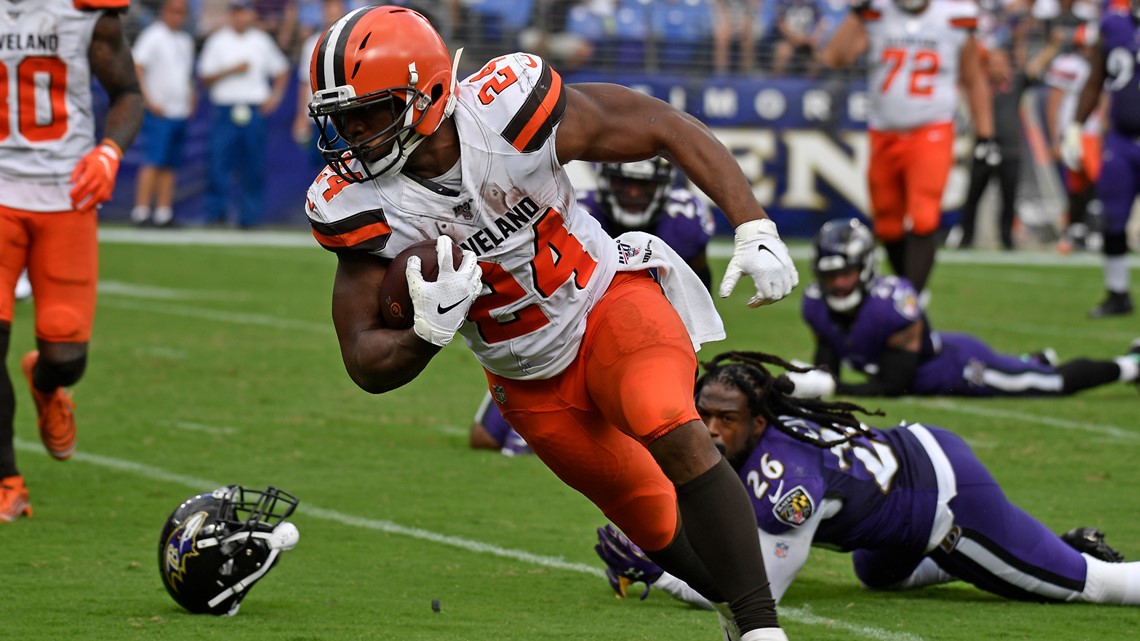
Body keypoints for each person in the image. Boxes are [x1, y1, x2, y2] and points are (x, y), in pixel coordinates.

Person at [303, 6, 799, 640]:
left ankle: (762, 631)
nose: (351, 132)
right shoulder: (357, 202)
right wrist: (426, 332)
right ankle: (740, 612)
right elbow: (364, 360)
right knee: (649, 519)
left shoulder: (504, 112)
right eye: (338, 118)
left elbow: (660, 126)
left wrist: (752, 223)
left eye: (366, 111)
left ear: (424, 91)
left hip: (604, 304)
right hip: (526, 377)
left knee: (668, 422)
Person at [595, 351, 1140, 608]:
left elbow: (756, 589)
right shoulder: (772, 410)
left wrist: (665, 571)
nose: (711, 430)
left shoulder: (788, 480)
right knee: (877, 574)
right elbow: (820, 377)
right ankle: (1044, 547)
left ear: (758, 422)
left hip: (945, 504)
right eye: (705, 414)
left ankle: (1058, 557)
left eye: (726, 420)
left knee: (1094, 587)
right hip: (901, 495)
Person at [0, 0, 144, 523]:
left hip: (66, 195)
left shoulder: (86, 11)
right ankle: (6, 480)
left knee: (66, 356)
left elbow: (127, 92)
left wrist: (108, 150)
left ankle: (47, 384)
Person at [469, 157, 716, 455]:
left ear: (662, 188)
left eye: (643, 185)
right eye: (625, 183)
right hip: (566, 324)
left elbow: (699, 281)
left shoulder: (683, 223)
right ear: (606, 183)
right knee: (485, 437)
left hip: (640, 325)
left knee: (651, 415)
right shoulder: (574, 211)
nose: (633, 194)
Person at [791, 218, 1140, 399]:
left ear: (865, 269)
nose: (837, 283)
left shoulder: (890, 307)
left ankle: (1130, 365)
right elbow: (828, 365)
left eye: (845, 273)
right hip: (926, 362)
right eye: (829, 275)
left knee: (1050, 385)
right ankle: (1031, 360)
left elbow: (895, 384)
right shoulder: (816, 305)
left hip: (955, 368)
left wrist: (832, 389)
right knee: (1024, 371)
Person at [818, 0, 995, 298]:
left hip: (931, 129)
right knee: (887, 223)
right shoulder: (874, 12)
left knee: (924, 216)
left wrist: (986, 134)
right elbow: (835, 57)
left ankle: (914, 297)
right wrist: (857, 12)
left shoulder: (953, 16)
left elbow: (973, 76)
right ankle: (905, 292)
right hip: (883, 132)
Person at [1062, 0, 1140, 317]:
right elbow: (1095, 79)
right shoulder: (1114, 25)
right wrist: (1076, 126)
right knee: (1112, 218)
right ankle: (1118, 293)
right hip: (1121, 140)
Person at [955, 28, 1066, 250]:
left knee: (1008, 199)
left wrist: (1053, 47)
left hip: (1010, 149)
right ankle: (966, 238)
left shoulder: (1015, 82)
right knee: (973, 195)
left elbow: (1036, 66)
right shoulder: (981, 84)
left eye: (1000, 61)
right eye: (993, 62)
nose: (996, 66)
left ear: (1007, 64)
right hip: (984, 147)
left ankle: (1006, 239)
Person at [197, 0, 290, 228]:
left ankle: (249, 217)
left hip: (253, 108)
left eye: (245, 13)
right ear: (232, 15)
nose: (241, 17)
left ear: (251, 15)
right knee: (219, 162)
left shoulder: (261, 41)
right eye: (237, 13)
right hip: (226, 108)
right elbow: (205, 77)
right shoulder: (218, 41)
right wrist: (231, 70)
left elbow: (282, 69)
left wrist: (275, 97)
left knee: (253, 164)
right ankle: (215, 215)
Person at [131, 0, 196, 228]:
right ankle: (140, 211)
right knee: (153, 160)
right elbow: (138, 66)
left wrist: (190, 97)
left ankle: (162, 211)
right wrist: (148, 100)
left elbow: (185, 75)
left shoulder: (185, 40)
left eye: (182, 12)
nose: (177, 16)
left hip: (179, 110)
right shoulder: (153, 36)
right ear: (164, 12)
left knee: (170, 163)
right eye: (174, 11)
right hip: (159, 109)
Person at [292, 0, 346, 172]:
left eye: (335, 8)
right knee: (319, 168)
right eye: (328, 8)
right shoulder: (311, 43)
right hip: (317, 116)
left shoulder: (351, 41)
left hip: (343, 115)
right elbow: (304, 82)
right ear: (322, 12)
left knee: (346, 165)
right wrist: (301, 116)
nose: (331, 12)